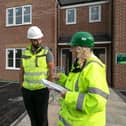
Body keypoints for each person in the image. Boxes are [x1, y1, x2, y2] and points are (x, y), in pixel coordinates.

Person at [55, 32, 110, 126]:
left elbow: (97, 101)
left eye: (73, 48)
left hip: (86, 122)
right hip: (75, 120)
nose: (71, 50)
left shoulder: (93, 68)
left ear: (82, 49)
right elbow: (76, 87)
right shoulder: (80, 64)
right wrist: (62, 79)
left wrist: (68, 96)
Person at [19, 26, 55, 126]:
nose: (39, 41)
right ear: (30, 40)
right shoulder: (24, 53)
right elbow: (21, 70)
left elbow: (51, 71)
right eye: (35, 40)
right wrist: (21, 85)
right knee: (33, 118)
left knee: (42, 119)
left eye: (40, 39)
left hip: (42, 91)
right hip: (27, 91)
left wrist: (49, 87)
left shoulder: (47, 53)